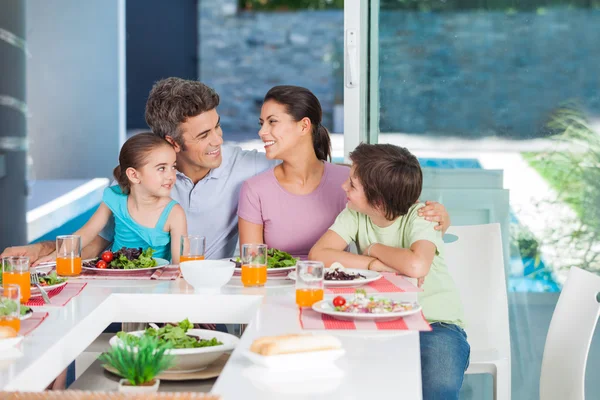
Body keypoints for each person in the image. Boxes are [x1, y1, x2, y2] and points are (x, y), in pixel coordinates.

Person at [1, 78, 450, 262]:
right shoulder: (141, 172)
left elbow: (307, 169)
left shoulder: (246, 167)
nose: (218, 141)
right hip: (145, 287)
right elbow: (103, 235)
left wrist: (423, 206)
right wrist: (40, 250)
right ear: (171, 144)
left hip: (213, 296)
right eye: (202, 136)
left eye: (217, 127)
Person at [309, 143, 469, 399]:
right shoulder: (355, 214)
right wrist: (376, 266)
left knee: (438, 386)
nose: (344, 187)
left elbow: (417, 266)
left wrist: (373, 248)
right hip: (378, 322)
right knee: (355, 380)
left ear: (379, 201)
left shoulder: (422, 216)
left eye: (352, 184)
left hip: (435, 323)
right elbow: (319, 255)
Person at [37, 133, 187, 265]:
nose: (171, 176)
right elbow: (88, 231)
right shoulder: (115, 198)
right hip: (114, 277)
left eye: (173, 167)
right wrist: (56, 256)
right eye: (162, 168)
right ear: (134, 175)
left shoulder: (174, 213)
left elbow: (180, 264)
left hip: (154, 285)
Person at [237, 86, 349, 258]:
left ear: (304, 126)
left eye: (272, 122)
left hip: (337, 283)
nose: (262, 132)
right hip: (274, 284)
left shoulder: (347, 183)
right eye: (262, 123)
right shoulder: (254, 190)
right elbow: (252, 264)